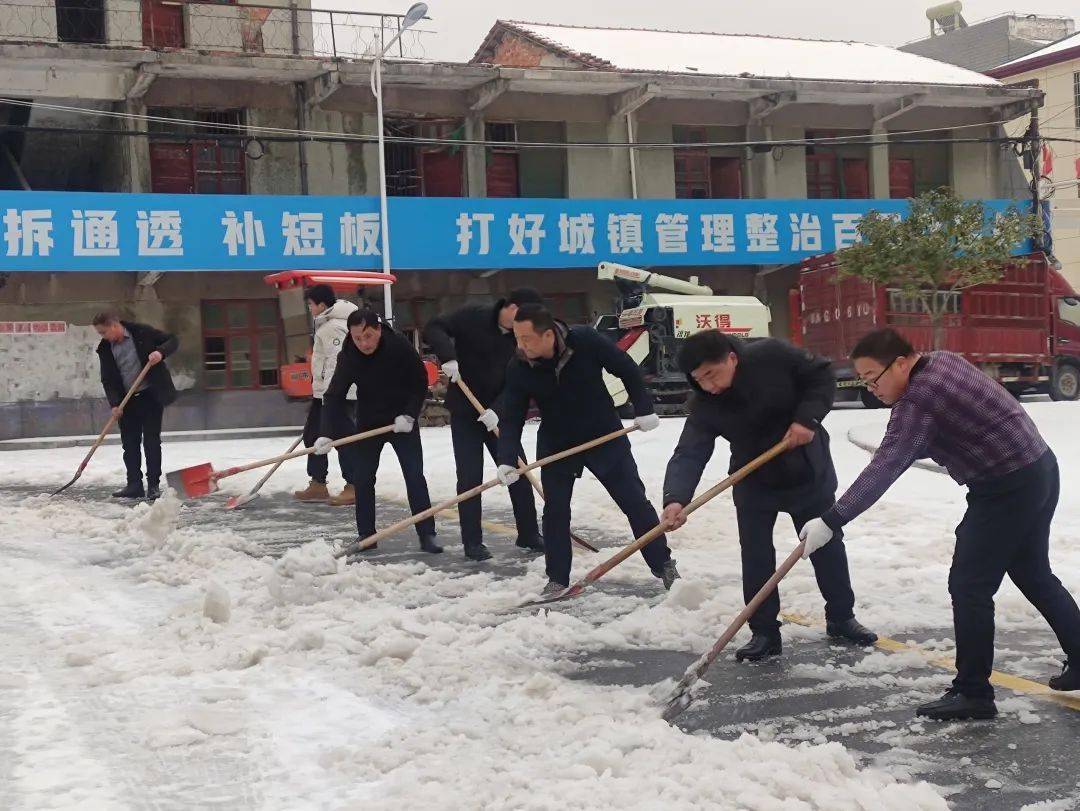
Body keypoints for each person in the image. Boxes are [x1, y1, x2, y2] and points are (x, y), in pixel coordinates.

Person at [799, 328, 1080, 720]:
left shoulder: (917, 402)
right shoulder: (943, 359)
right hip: (1038, 467)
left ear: (901, 363)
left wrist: (832, 519)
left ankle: (973, 693)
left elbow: (886, 466)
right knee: (1033, 573)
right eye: (862, 381)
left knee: (969, 586)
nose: (871, 388)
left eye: (873, 378)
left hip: (1005, 488)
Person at [662, 330, 877, 662]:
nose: (708, 385)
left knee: (825, 545)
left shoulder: (773, 356)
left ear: (731, 358)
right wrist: (675, 498)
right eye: (699, 379)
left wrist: (807, 418)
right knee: (756, 554)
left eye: (712, 374)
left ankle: (841, 617)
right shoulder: (706, 404)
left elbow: (820, 377)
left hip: (806, 470)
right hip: (753, 478)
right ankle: (764, 632)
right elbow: (689, 452)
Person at [497, 303, 678, 596]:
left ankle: (663, 563)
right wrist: (506, 459)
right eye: (517, 338)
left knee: (634, 501)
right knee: (555, 511)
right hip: (557, 442)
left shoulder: (585, 340)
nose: (521, 345)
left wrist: (644, 409)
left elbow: (627, 370)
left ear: (547, 336)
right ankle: (557, 578)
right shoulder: (519, 366)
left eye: (526, 338)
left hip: (603, 434)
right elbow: (512, 416)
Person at [423, 289, 545, 561]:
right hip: (466, 412)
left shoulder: (521, 340)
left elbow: (519, 382)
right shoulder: (474, 316)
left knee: (518, 471)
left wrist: (497, 410)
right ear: (511, 308)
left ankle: (528, 533)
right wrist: (448, 356)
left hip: (498, 414)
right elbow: (435, 326)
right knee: (469, 478)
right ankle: (472, 542)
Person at [317, 308, 442, 555]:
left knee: (414, 475)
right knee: (362, 478)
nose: (364, 343)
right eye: (357, 338)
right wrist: (326, 432)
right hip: (369, 421)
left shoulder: (398, 346)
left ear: (378, 329)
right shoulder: (349, 356)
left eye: (369, 336)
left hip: (401, 420)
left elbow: (419, 381)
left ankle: (427, 533)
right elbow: (334, 396)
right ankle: (367, 535)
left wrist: (409, 414)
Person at [93, 311, 179, 501]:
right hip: (127, 400)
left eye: (103, 332)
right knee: (130, 444)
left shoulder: (142, 332)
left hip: (151, 395)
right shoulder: (105, 349)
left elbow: (173, 340)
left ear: (114, 326)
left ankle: (154, 486)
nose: (103, 336)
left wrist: (160, 352)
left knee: (151, 441)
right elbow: (107, 379)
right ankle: (134, 485)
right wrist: (115, 404)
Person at [293, 284, 358, 506]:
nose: (309, 308)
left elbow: (335, 363)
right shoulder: (326, 325)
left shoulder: (334, 327)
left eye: (310, 304)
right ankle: (318, 483)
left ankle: (354, 485)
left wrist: (331, 394)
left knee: (342, 437)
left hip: (336, 394)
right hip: (322, 393)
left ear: (321, 304)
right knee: (313, 435)